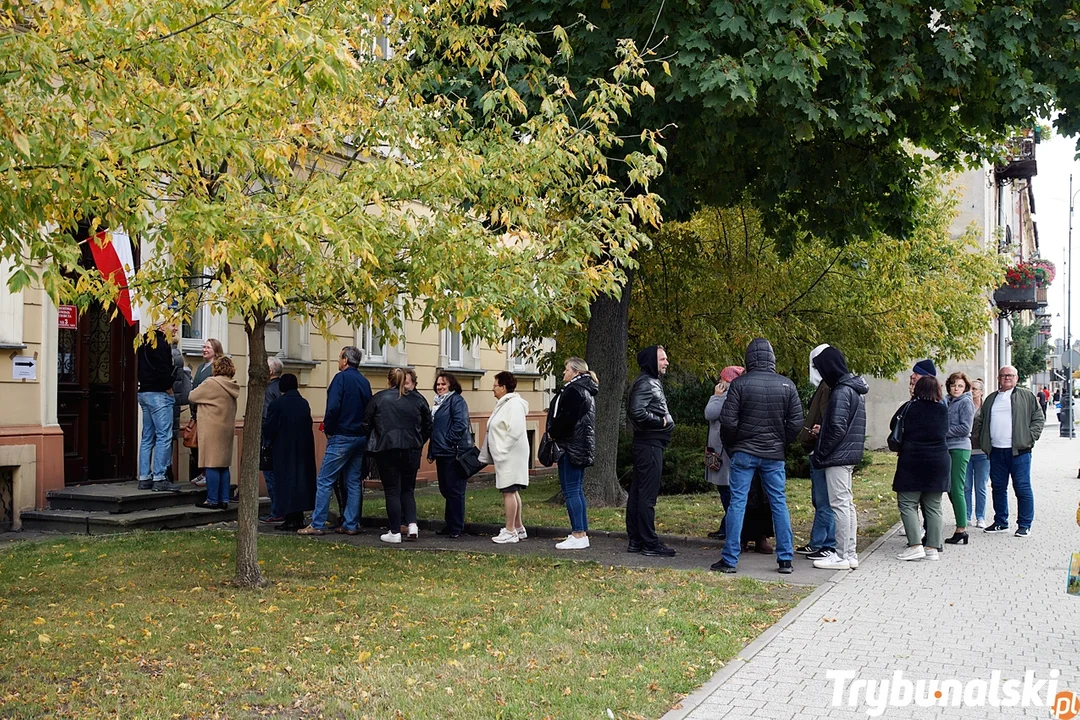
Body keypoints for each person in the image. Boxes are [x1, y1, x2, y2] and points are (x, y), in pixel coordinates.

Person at [713, 338, 803, 575]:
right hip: (773, 453)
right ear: (772, 358)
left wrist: (734, 447)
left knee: (737, 503)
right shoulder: (787, 385)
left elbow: (728, 421)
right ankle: (785, 559)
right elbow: (796, 423)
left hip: (744, 452)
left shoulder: (740, 384)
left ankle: (730, 559)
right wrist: (780, 443)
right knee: (779, 503)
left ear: (749, 358)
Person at [299, 346, 373, 536]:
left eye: (340, 357)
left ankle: (317, 523)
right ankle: (350, 524)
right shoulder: (364, 381)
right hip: (359, 436)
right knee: (353, 481)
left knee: (325, 480)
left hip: (341, 435)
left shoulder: (340, 379)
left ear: (346, 360)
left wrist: (330, 429)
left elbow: (332, 408)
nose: (338, 360)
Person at [808, 347, 868, 571]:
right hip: (847, 453)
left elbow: (836, 428)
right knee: (846, 504)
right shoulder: (853, 389)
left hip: (838, 456)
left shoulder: (842, 391)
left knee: (840, 505)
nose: (821, 375)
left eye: (821, 369)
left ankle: (843, 555)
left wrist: (822, 451)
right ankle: (848, 553)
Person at [972, 365, 1043, 537]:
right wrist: (983, 440)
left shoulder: (1026, 396)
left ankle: (1025, 524)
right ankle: (1000, 522)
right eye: (1003, 375)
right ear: (998, 378)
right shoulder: (991, 399)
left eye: (1010, 375)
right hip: (996, 451)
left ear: (1016, 378)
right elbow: (980, 421)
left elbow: (1038, 418)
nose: (1007, 378)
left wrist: (1029, 437)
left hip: (1020, 451)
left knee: (1022, 487)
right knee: (998, 487)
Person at [361, 367, 431, 542]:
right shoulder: (418, 399)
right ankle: (412, 525)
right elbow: (428, 425)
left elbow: (366, 424)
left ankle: (394, 531)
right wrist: (418, 441)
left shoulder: (379, 398)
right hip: (412, 449)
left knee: (392, 490)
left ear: (389, 380)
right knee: (408, 489)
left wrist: (376, 437)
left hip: (387, 448)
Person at [892, 376, 949, 561]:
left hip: (912, 460)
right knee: (933, 506)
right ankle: (932, 548)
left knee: (908, 503)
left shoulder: (909, 408)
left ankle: (915, 545)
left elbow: (894, 425)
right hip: (938, 461)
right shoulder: (942, 409)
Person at [626, 345, 676, 557]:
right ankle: (649, 543)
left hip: (649, 444)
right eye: (663, 359)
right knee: (646, 495)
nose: (666, 362)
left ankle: (637, 540)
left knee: (638, 493)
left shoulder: (649, 381)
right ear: (651, 361)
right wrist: (662, 421)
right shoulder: (646, 382)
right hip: (649, 444)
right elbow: (637, 411)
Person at [546, 357, 599, 550]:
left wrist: (553, 432)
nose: (563, 373)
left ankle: (578, 533)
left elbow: (567, 419)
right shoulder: (585, 390)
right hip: (579, 446)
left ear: (576, 372)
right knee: (576, 490)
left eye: (566, 369)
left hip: (571, 447)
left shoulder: (574, 391)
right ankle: (581, 532)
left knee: (571, 491)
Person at [795, 344, 836, 561]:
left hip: (821, 448)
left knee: (824, 501)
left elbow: (826, 415)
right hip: (817, 446)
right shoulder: (825, 385)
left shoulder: (829, 386)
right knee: (820, 499)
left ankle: (826, 543)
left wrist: (818, 431)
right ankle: (819, 541)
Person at [480, 371, 531, 544]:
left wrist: (502, 450)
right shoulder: (505, 403)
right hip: (508, 454)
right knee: (512, 490)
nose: (492, 389)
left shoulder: (513, 404)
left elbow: (515, 430)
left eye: (495, 385)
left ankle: (510, 531)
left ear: (503, 387)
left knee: (508, 491)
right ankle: (518, 527)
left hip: (510, 455)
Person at [262, 374, 316, 530]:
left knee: (285, 483)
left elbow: (270, 428)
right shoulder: (303, 403)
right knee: (300, 483)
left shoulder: (277, 404)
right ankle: (298, 517)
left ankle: (289, 518)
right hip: (303, 449)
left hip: (283, 449)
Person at [187, 355, 240, 509]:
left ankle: (211, 500)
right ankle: (224, 499)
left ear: (216, 368)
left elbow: (192, 396)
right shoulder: (232, 385)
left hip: (211, 429)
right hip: (226, 430)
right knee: (223, 465)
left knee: (211, 464)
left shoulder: (211, 383)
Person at [428, 371, 472, 538]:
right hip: (442, 452)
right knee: (446, 489)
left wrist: (447, 442)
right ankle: (450, 523)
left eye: (443, 384)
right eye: (438, 384)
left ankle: (456, 527)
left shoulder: (456, 401)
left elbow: (460, 424)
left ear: (451, 386)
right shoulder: (439, 404)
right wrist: (433, 450)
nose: (440, 387)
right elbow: (435, 429)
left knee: (455, 490)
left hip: (454, 453)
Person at [137, 325, 180, 492]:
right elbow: (163, 370)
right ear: (163, 325)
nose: (177, 328)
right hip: (159, 394)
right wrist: (168, 388)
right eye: (174, 324)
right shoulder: (162, 342)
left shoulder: (143, 340)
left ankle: (144, 477)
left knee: (147, 436)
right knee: (164, 436)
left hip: (144, 392)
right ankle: (159, 477)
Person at [705, 366, 744, 540]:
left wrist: (716, 396)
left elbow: (709, 413)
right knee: (728, 490)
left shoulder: (725, 397)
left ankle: (730, 528)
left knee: (726, 490)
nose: (719, 382)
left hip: (722, 451)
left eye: (721, 379)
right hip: (725, 450)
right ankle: (726, 526)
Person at [943, 371, 975, 545]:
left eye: (960, 385)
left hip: (959, 448)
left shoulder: (965, 403)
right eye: (954, 385)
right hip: (947, 448)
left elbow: (965, 428)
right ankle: (960, 526)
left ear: (965, 388)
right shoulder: (947, 401)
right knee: (949, 489)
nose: (956, 388)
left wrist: (942, 432)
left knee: (957, 488)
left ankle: (961, 529)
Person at [189, 338, 223, 487]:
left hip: (208, 412)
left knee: (206, 446)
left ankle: (205, 474)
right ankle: (201, 472)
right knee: (196, 444)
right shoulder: (202, 366)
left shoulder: (216, 368)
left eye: (208, 347)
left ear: (215, 350)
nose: (204, 350)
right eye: (203, 347)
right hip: (197, 411)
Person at [259, 356, 285, 524]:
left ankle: (276, 511)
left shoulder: (269, 390)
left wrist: (265, 438)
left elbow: (267, 416)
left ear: (269, 371)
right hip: (282, 438)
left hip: (270, 440)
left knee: (271, 477)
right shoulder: (281, 387)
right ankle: (279, 510)